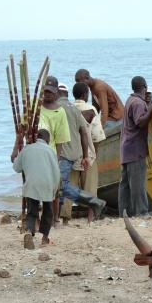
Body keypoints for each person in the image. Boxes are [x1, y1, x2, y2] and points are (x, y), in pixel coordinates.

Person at [56, 82, 106, 221]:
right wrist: (93, 154)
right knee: (89, 186)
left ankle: (64, 218)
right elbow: (96, 135)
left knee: (66, 186)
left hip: (67, 154)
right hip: (86, 155)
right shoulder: (90, 109)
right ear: (85, 95)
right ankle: (91, 217)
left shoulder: (65, 109)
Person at [119, 76, 152, 217]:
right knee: (138, 184)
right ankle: (141, 213)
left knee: (125, 184)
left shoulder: (130, 100)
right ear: (145, 86)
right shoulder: (138, 103)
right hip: (135, 148)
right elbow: (140, 122)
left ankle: (124, 213)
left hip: (126, 148)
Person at [13, 129, 60, 249]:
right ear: (47, 140)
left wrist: (17, 146)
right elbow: (56, 173)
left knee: (32, 210)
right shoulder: (51, 151)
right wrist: (55, 190)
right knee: (48, 211)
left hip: (32, 184)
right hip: (47, 183)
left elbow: (16, 167)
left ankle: (29, 231)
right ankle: (44, 238)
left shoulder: (27, 149)